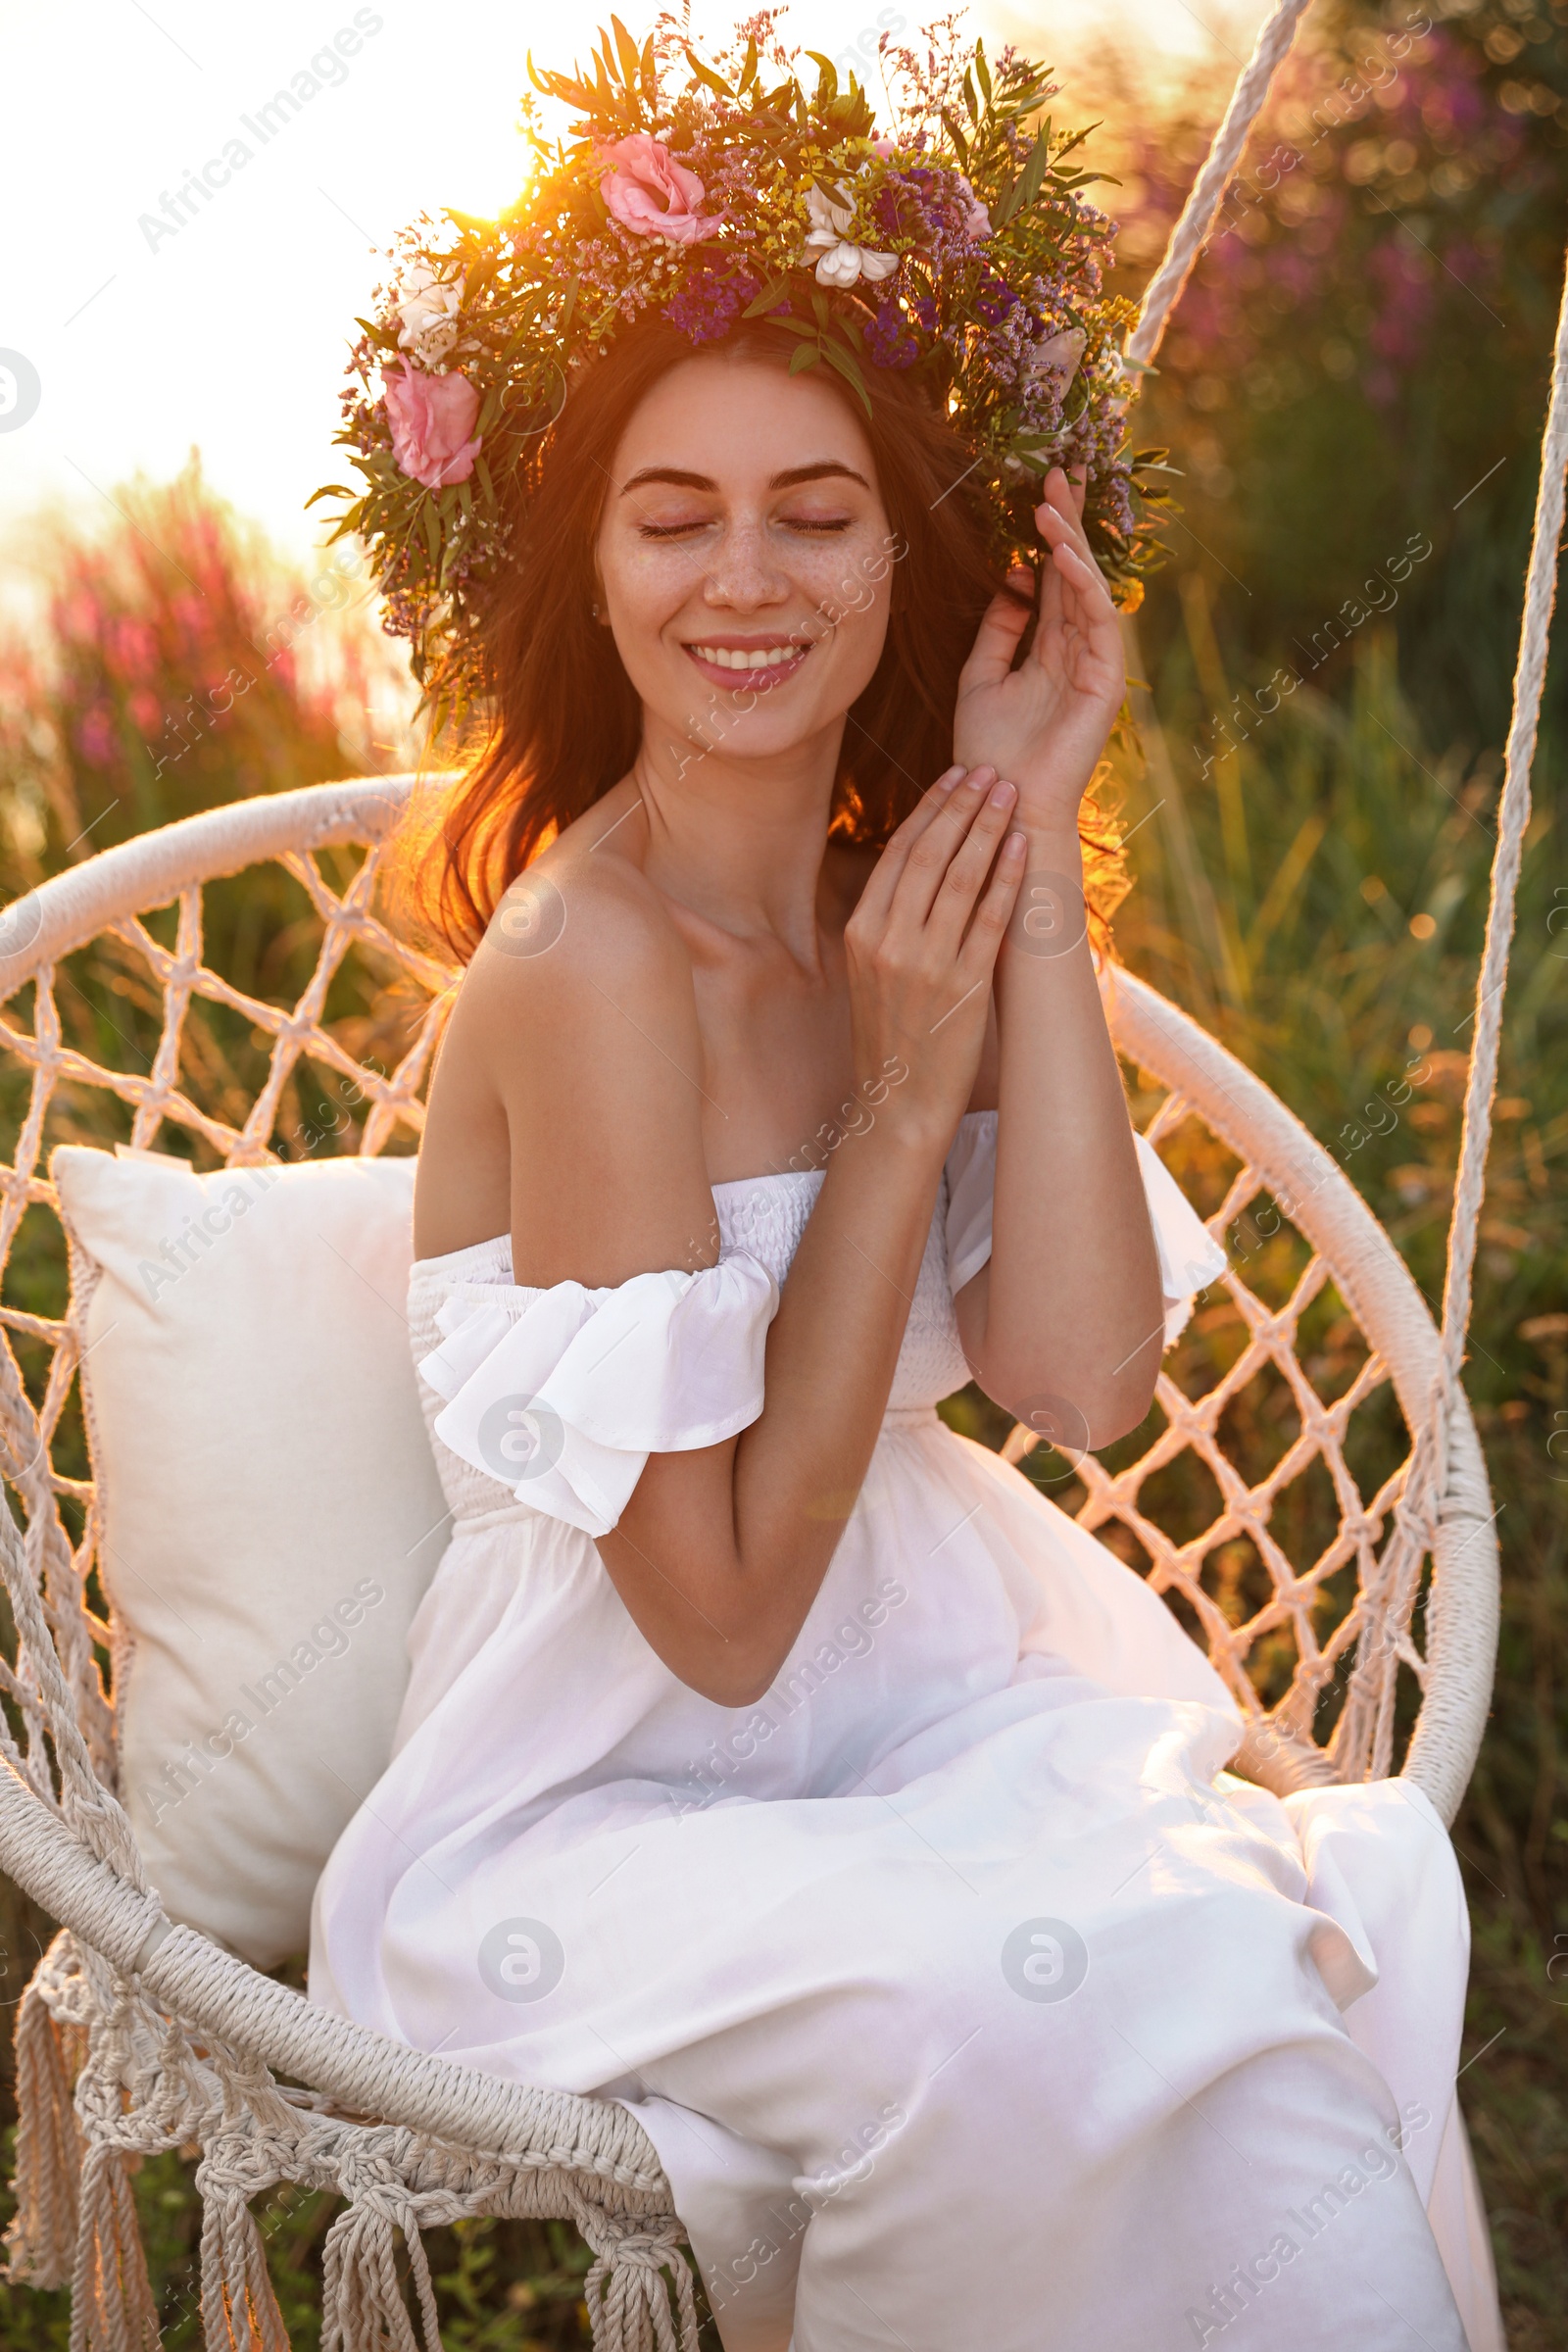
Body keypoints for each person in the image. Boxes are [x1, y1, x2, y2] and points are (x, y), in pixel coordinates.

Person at [310, 30, 1487, 2349]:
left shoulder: (900, 893)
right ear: (589, 560)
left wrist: (1027, 831)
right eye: (671, 515)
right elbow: (722, 1621)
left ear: (904, 552)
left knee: (1228, 1970)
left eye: (815, 509)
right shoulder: (582, 963)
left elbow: (1077, 1379)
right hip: (610, 1801)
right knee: (1036, 2019)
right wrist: (886, 1115)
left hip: (943, 1697)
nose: (743, 577)